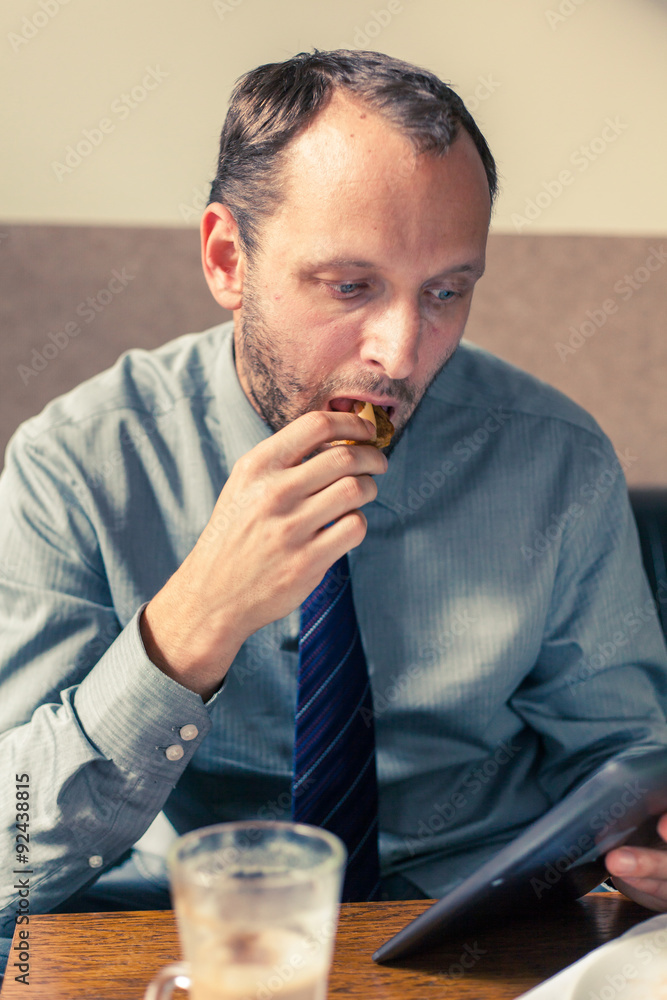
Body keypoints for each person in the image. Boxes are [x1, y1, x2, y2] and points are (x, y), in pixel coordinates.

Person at [2, 48, 667, 973]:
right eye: (350, 287)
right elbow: (11, 861)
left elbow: (620, 764)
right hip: (175, 944)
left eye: (446, 291)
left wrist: (646, 840)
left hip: (478, 943)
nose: (399, 353)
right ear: (228, 258)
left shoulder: (555, 461)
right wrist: (194, 621)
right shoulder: (75, 466)